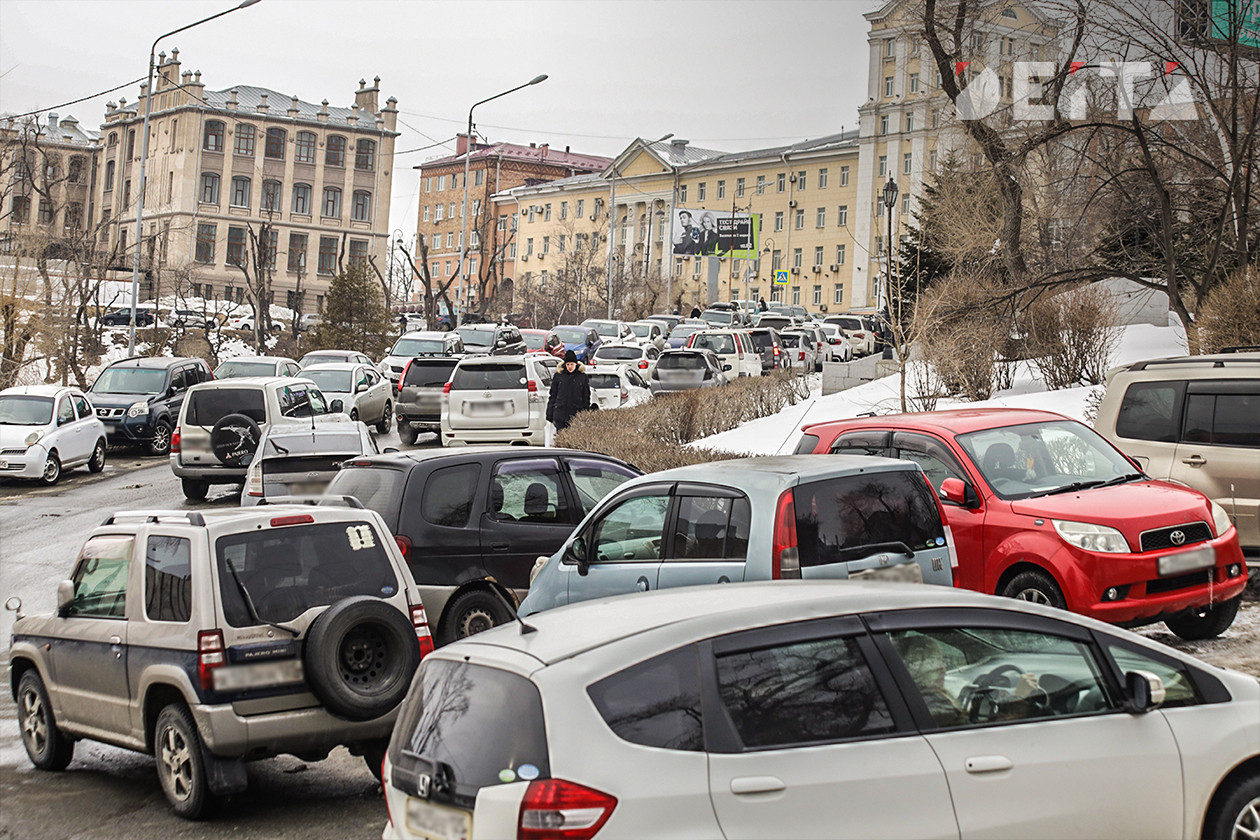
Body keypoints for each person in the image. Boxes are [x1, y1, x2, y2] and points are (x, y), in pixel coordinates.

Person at [547, 350, 592, 432]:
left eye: (572, 364)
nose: (570, 367)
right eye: (568, 364)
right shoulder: (558, 376)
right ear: (564, 365)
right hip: (560, 412)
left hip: (576, 413)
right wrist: (550, 413)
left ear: (576, 364)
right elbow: (553, 395)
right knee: (561, 436)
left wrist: (586, 412)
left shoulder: (582, 377)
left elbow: (586, 396)